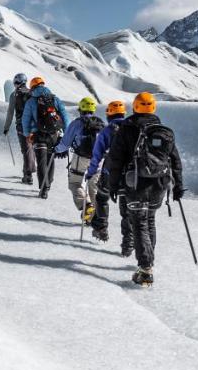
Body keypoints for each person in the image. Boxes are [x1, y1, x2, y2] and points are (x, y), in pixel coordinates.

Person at [103, 92, 184, 286]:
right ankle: (148, 262)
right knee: (149, 220)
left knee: (138, 222)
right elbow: (175, 160)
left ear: (136, 107)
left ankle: (145, 268)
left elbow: (115, 160)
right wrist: (179, 185)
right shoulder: (164, 131)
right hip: (160, 184)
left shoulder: (127, 129)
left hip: (135, 183)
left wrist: (112, 185)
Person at [84, 100, 132, 254]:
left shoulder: (106, 131)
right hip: (129, 175)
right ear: (124, 113)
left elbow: (97, 155)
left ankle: (101, 228)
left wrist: (91, 172)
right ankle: (128, 242)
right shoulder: (133, 128)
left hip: (109, 173)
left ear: (109, 114)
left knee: (102, 198)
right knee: (126, 208)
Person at [53, 96, 105, 224]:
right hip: (98, 160)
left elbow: (65, 144)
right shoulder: (101, 123)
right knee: (94, 186)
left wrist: (55, 149)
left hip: (80, 157)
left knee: (75, 183)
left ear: (81, 109)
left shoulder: (77, 123)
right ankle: (94, 217)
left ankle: (86, 205)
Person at [20, 76, 70, 199]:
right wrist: (65, 133)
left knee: (41, 161)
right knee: (50, 159)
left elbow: (25, 120)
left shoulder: (31, 101)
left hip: (38, 135)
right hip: (53, 135)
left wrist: (27, 134)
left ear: (32, 88)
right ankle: (48, 184)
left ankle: (43, 188)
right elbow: (65, 116)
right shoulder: (54, 98)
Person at [1, 73, 37, 184]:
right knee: (31, 148)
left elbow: (10, 112)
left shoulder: (14, 95)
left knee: (26, 149)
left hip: (21, 126)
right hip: (34, 126)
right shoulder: (33, 93)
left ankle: (28, 175)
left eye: (15, 83)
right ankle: (28, 170)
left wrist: (6, 127)